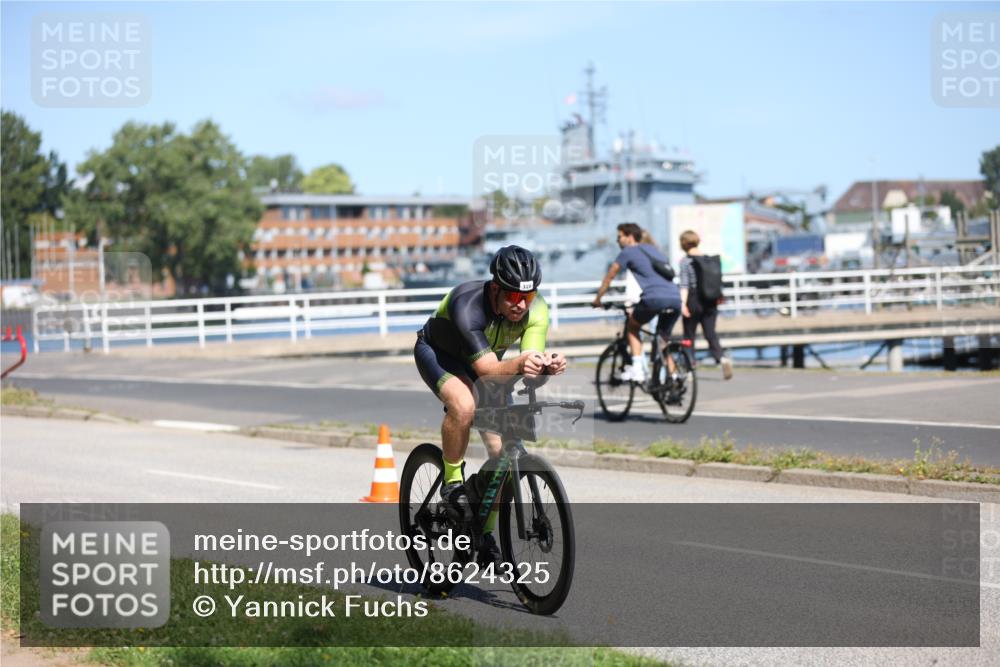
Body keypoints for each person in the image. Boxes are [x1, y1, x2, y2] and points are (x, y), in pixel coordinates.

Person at [414, 245, 567, 566]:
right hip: (441, 355)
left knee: (503, 455)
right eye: (513, 296)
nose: (520, 305)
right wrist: (522, 364)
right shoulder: (467, 304)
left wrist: (545, 367)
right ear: (495, 288)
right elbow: (486, 371)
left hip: (488, 365)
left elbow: (528, 364)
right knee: (464, 405)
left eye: (528, 296)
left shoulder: (537, 309)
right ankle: (452, 483)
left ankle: (483, 536)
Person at [591, 223, 681, 383]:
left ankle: (638, 370)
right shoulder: (654, 250)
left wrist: (598, 299)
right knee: (662, 341)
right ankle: (674, 378)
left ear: (630, 237)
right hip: (675, 298)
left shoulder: (628, 252)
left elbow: (610, 276)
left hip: (654, 298)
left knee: (633, 327)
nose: (617, 241)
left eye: (619, 237)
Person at [678, 230, 733, 380]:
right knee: (710, 333)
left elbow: (684, 284)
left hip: (693, 299)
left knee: (689, 335)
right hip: (710, 300)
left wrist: (683, 304)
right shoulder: (710, 260)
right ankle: (722, 358)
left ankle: (689, 368)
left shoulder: (686, 261)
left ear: (683, 244)